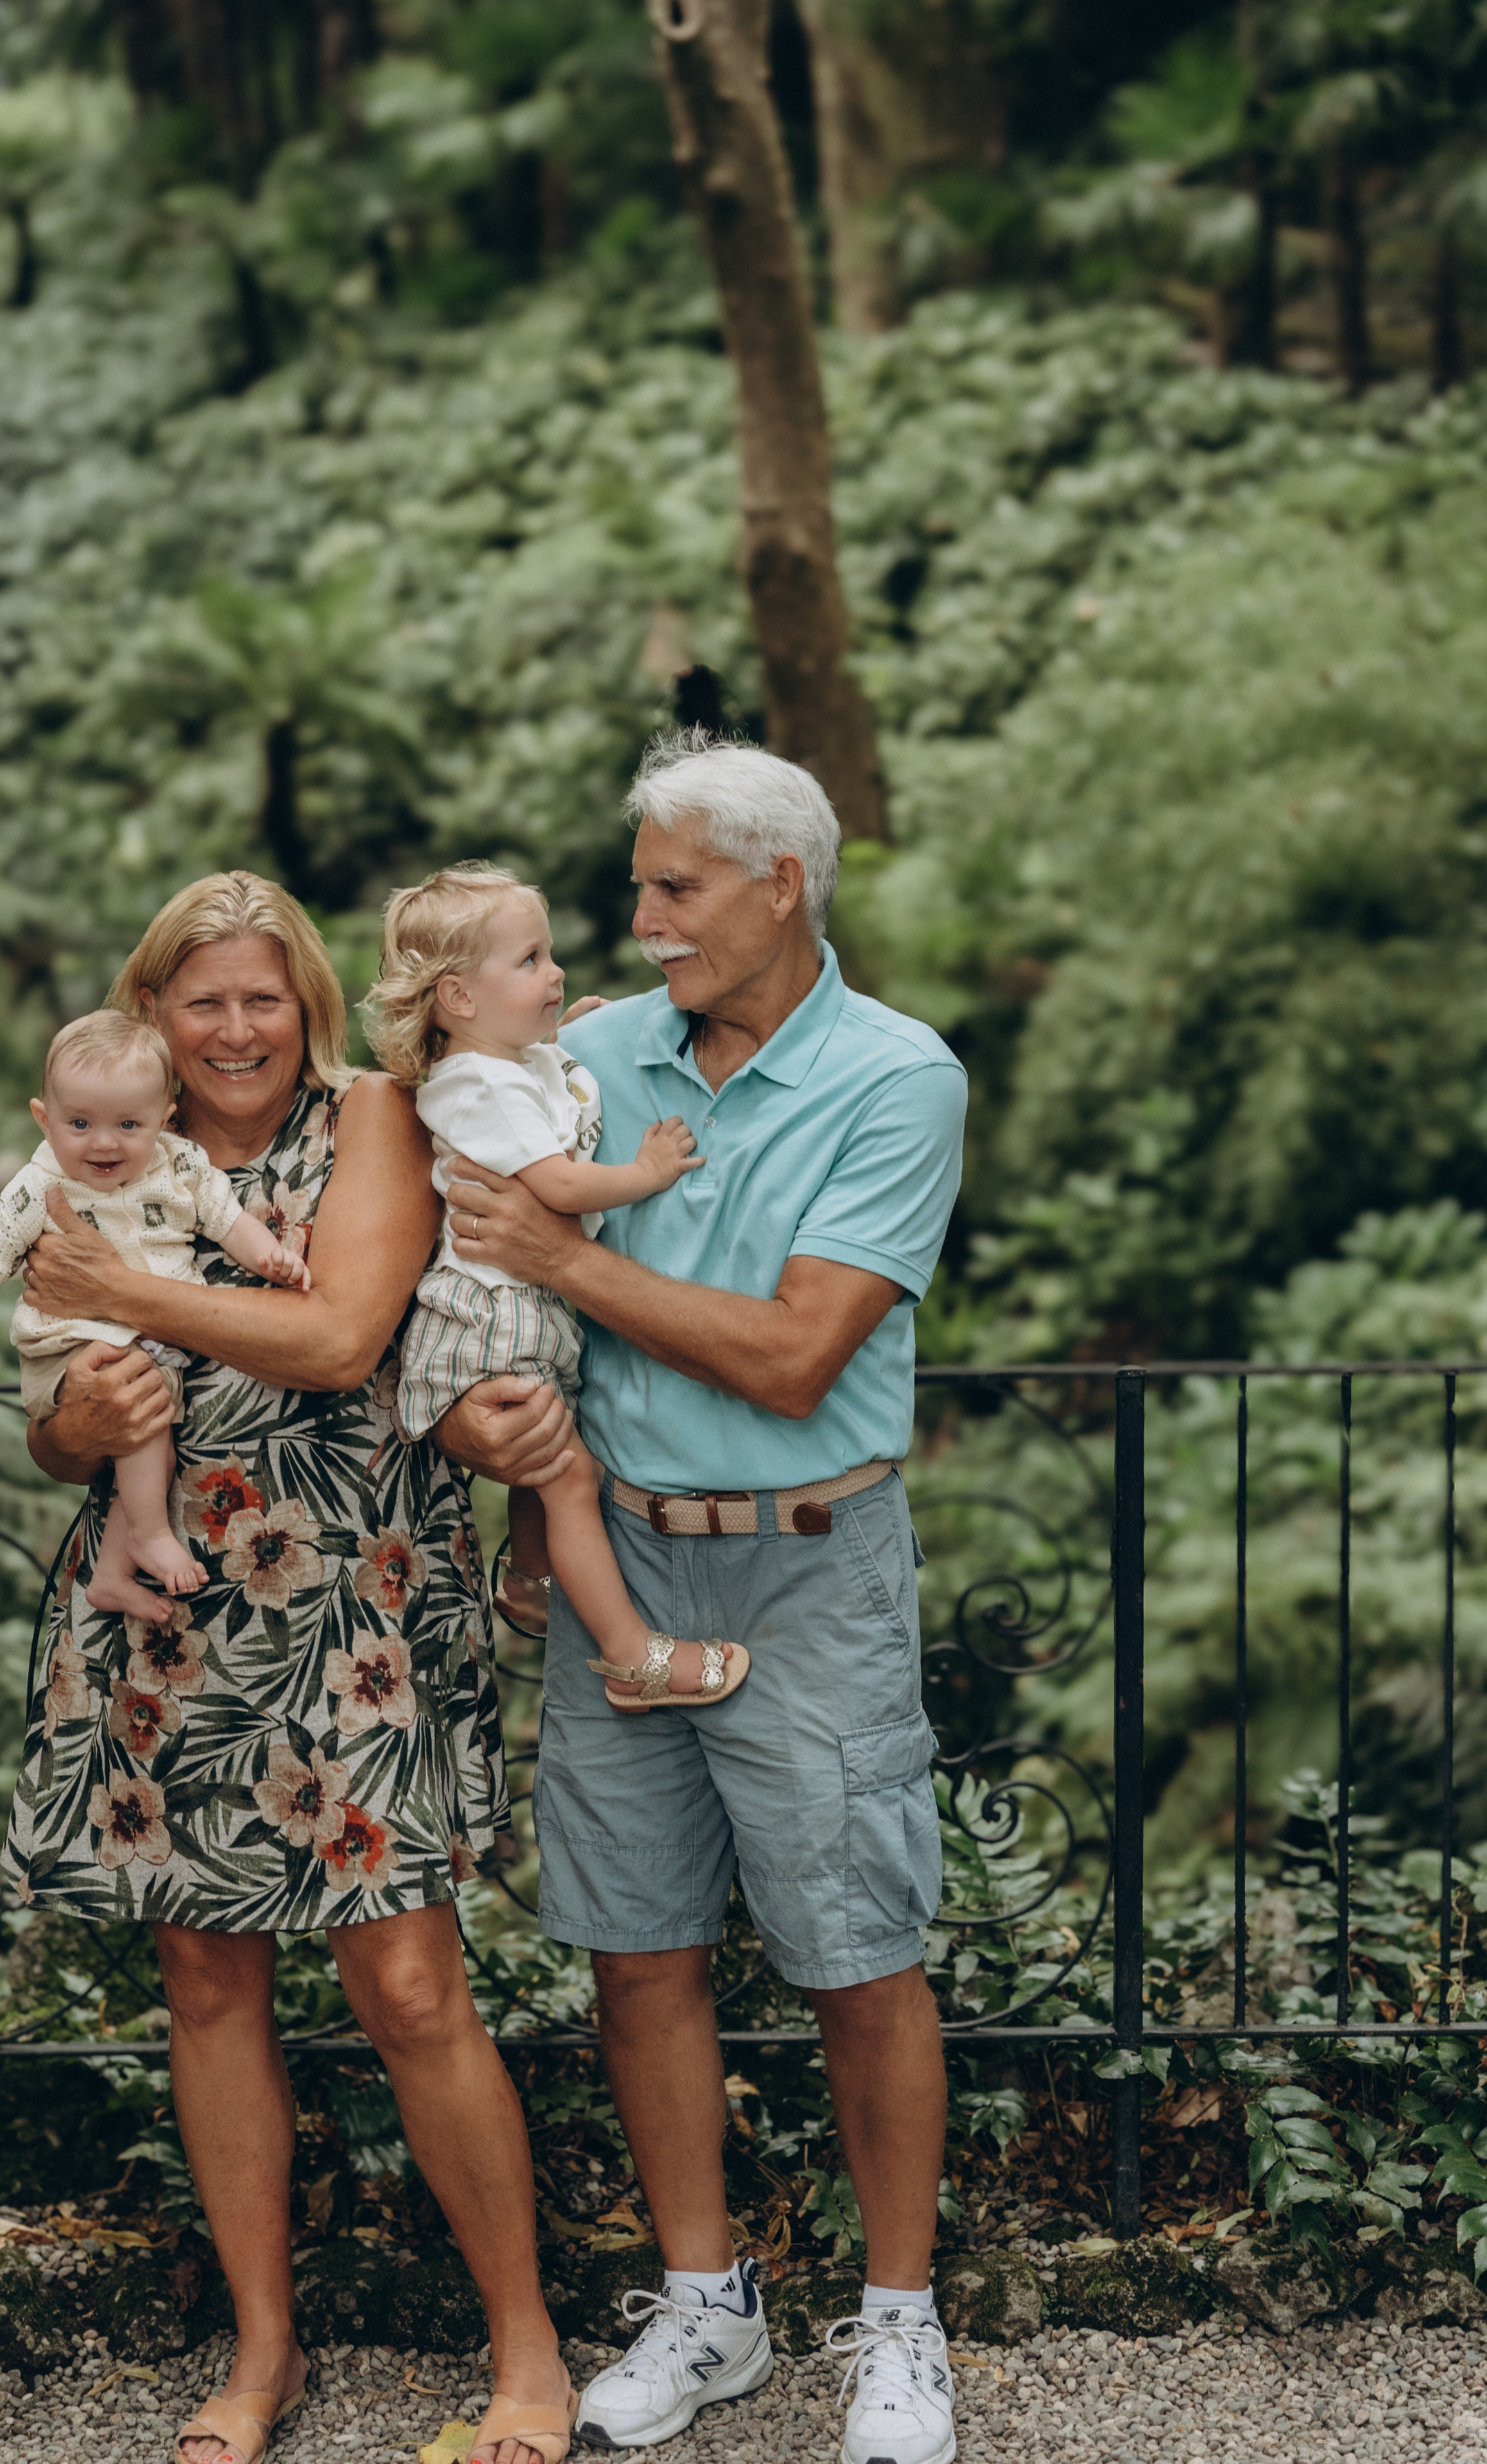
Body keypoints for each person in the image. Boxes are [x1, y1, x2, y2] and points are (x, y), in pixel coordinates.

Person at [1, 872, 574, 2464]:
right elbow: (52, 1422)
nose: (235, 1028)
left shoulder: (372, 1117)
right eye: (203, 1001)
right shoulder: (100, 1144)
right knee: (205, 1981)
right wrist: (81, 1419)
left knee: (409, 1983)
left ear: (305, 1002)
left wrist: (124, 1293)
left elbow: (337, 1338)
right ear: (155, 1011)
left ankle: (526, 2347)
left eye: (262, 996)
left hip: (354, 1604)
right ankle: (262, 2351)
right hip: (166, 1606)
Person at [442, 734, 968, 2464]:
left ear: (779, 882)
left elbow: (802, 1354)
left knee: (860, 1956)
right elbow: (457, 1224)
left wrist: (562, 1257)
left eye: (674, 887)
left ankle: (899, 2322)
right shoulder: (589, 1056)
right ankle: (705, 2302)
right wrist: (494, 1422)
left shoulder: (896, 1077)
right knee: (638, 1946)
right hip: (618, 1560)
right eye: (640, 888)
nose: (644, 920)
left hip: (811, 1560)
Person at [365, 860, 746, 1711]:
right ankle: (633, 1657)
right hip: (494, 1316)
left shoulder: (506, 1064)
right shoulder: (479, 1083)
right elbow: (562, 1186)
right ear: (459, 998)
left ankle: (532, 1579)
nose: (556, 972)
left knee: (553, 1466)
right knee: (570, 1477)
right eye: (530, 960)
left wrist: (560, 1043)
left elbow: (543, 1100)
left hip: (521, 1308)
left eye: (550, 954)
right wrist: (649, 1172)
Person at [0, 1009, 309, 1618]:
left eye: (128, 1124)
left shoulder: (180, 1166)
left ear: (164, 1118)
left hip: (149, 1349)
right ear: (44, 1119)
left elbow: (227, 1220)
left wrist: (269, 1256)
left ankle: (113, 1573)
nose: (103, 1143)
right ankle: (149, 1535)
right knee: (141, 1431)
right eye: (80, 1124)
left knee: (151, 1452)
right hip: (73, 1346)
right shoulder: (42, 1183)